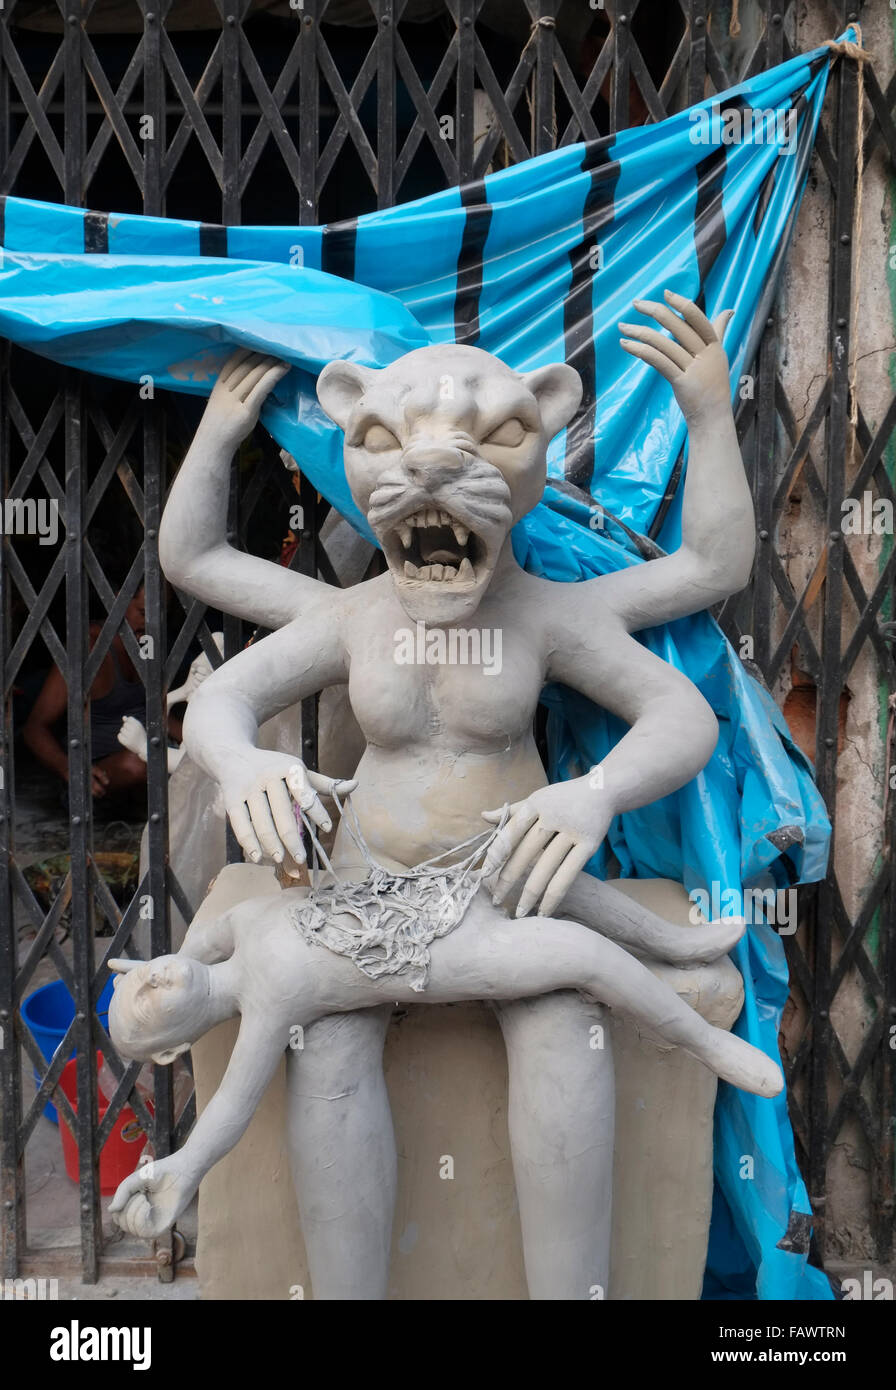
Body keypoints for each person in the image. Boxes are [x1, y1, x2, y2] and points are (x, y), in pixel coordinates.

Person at [106, 881, 781, 1246]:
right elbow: (230, 1108)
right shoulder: (266, 1002)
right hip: (450, 956)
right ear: (169, 1049)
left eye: (139, 976)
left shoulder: (241, 926)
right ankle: (704, 1041)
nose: (151, 981)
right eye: (146, 1004)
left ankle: (673, 942)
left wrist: (170, 963)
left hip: (428, 887)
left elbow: (195, 946)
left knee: (555, 884)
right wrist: (179, 1171)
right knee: (580, 955)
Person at [23, 586, 181, 802]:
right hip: (98, 776)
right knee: (142, 763)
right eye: (143, 613)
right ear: (118, 600)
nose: (150, 623)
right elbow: (34, 728)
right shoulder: (89, 647)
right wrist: (70, 769)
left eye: (160, 615)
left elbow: (160, 715)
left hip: (150, 755)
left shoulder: (149, 643)